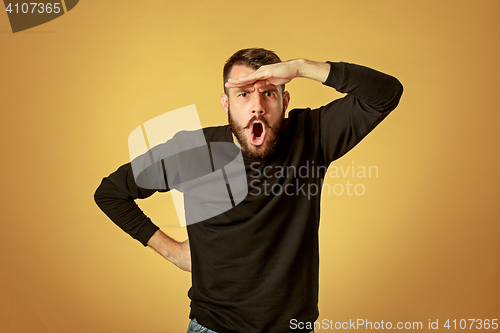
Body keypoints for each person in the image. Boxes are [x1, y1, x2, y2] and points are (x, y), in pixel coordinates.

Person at [94, 48, 403, 333]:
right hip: (214, 327)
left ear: (285, 101)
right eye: (243, 94)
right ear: (226, 104)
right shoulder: (193, 152)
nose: (257, 106)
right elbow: (110, 192)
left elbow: (386, 93)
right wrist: (172, 251)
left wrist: (301, 68)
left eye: (268, 93)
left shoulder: (312, 136)